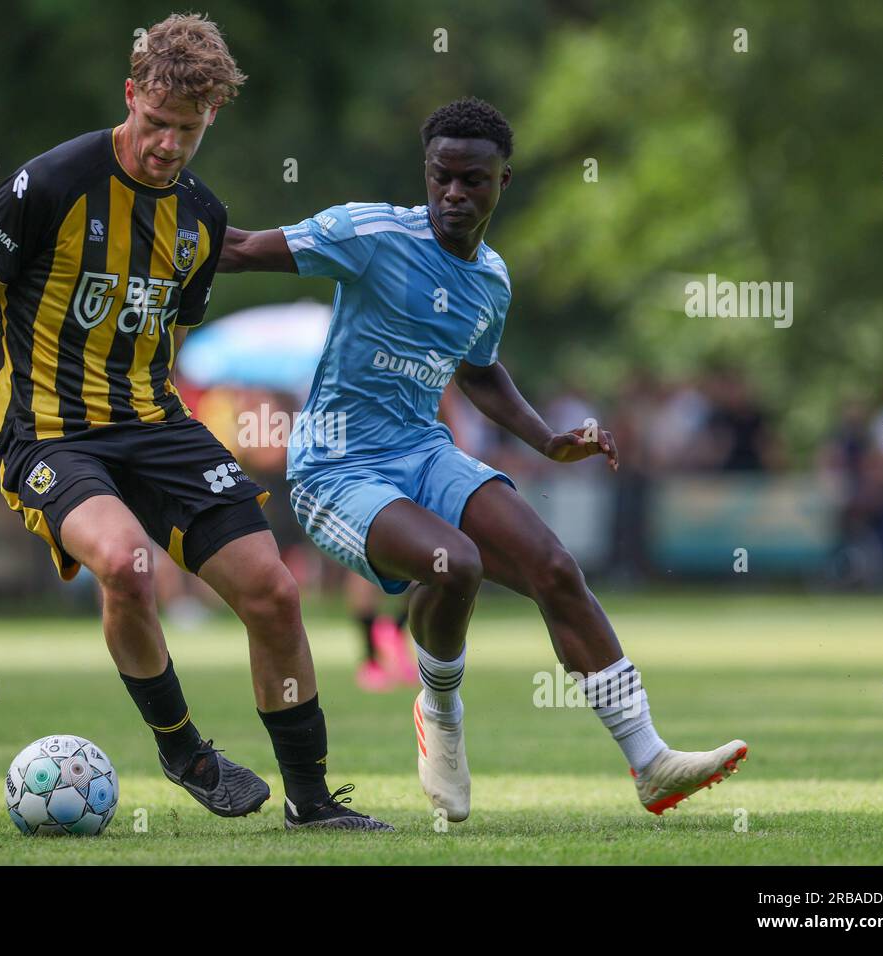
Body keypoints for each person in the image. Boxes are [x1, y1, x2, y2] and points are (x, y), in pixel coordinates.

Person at [218, 96, 748, 821]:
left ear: (505, 181)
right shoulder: (369, 232)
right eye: (442, 177)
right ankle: (440, 717)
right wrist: (156, 207)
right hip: (337, 469)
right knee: (455, 563)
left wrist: (547, 439)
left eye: (474, 180)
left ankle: (651, 762)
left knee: (556, 569)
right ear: (425, 171)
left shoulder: (491, 279)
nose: (454, 194)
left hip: (423, 453)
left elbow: (479, 371)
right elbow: (242, 249)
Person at [0, 13, 389, 831]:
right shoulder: (52, 183)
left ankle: (312, 803)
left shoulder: (203, 219)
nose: (169, 144)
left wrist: (168, 446)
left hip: (157, 422)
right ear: (130, 94)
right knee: (130, 567)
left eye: (189, 129)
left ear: (213, 118)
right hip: (50, 434)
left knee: (275, 595)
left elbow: (168, 335)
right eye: (156, 123)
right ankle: (185, 752)